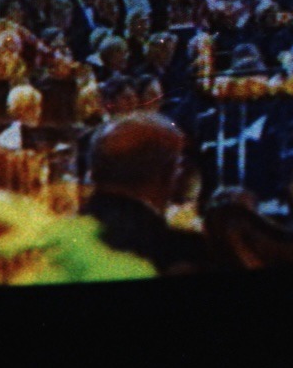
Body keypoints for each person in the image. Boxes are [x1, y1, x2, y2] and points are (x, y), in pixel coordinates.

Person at [78, 113, 213, 273]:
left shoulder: (60, 234)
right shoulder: (181, 250)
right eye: (178, 164)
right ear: (168, 173)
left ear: (91, 171)